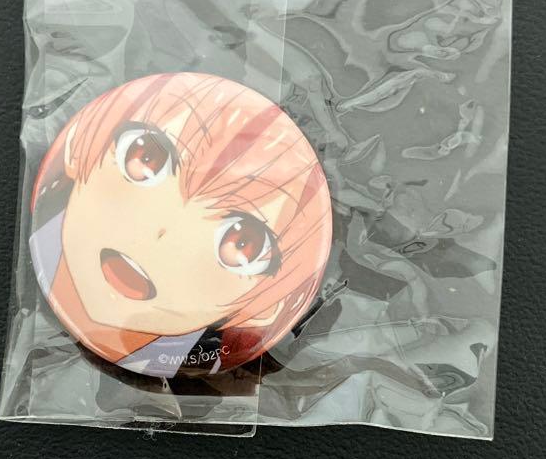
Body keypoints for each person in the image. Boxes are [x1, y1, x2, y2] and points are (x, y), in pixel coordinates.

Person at [29, 72, 332, 376]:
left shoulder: (202, 358)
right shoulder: (47, 238)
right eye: (145, 156)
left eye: (241, 244)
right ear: (77, 147)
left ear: (268, 308)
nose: (162, 234)